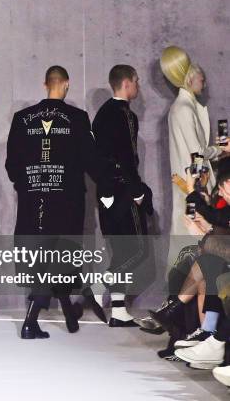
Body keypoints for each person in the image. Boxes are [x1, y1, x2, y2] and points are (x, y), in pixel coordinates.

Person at [5, 65, 110, 339]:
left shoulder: (22, 118)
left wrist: (26, 184)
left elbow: (12, 164)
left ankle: (67, 309)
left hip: (33, 199)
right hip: (67, 200)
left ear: (45, 84)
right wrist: (110, 183)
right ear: (66, 85)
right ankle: (31, 319)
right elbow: (90, 160)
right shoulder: (77, 118)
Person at [91, 64, 153, 327]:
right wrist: (138, 191)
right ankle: (97, 285)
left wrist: (104, 192)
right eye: (137, 81)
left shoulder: (100, 114)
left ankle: (117, 311)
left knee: (121, 250)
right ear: (126, 83)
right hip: (123, 190)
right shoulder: (125, 115)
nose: (138, 86)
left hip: (106, 191)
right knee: (138, 249)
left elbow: (94, 158)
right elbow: (127, 157)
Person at [161, 46, 230, 259]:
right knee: (191, 229)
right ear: (190, 79)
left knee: (193, 229)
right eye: (201, 78)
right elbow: (196, 152)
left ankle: (186, 281)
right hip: (190, 184)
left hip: (193, 182)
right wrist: (222, 148)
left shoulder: (184, 107)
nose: (204, 83)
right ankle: (182, 281)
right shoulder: (183, 108)